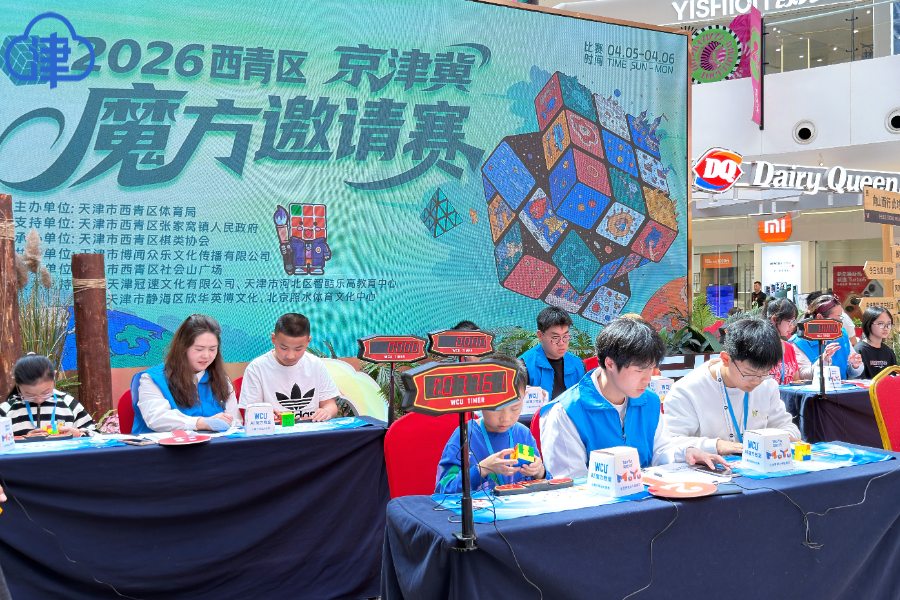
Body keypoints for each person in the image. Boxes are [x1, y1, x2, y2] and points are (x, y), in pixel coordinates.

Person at [539, 317, 727, 478]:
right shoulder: (566, 412)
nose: (648, 379)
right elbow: (572, 482)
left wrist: (686, 453)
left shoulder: (649, 401)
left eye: (651, 368)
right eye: (639, 370)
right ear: (610, 363)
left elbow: (660, 450)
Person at [664, 318, 801, 457]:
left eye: (765, 373)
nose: (757, 381)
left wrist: (785, 437)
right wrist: (717, 446)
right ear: (726, 359)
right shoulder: (687, 390)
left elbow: (786, 426)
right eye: (749, 374)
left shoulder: (767, 384)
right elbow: (670, 444)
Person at [435, 354, 548, 493]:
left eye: (515, 408)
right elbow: (443, 490)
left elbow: (547, 486)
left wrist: (540, 472)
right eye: (496, 409)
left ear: (524, 397)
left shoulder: (523, 434)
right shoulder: (464, 436)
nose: (505, 418)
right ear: (479, 399)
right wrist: (482, 469)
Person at [132, 314, 242, 434]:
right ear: (182, 348)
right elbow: (157, 418)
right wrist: (203, 423)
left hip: (214, 445)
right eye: (199, 349)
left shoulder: (222, 381)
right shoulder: (153, 379)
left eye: (212, 349)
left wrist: (230, 423)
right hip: (164, 445)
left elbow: (235, 423)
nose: (206, 355)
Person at [240, 313, 340, 421]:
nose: (290, 356)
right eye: (284, 348)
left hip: (310, 429)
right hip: (275, 431)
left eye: (298, 349)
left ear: (308, 341)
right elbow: (250, 413)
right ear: (273, 339)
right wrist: (264, 415)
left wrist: (327, 411)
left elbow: (329, 404)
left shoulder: (316, 364)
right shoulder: (256, 368)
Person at [0, 354, 96, 437]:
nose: (39, 400)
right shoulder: (7, 410)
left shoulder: (69, 404)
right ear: (17, 385)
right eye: (30, 395)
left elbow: (96, 435)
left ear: (54, 376)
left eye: (46, 392)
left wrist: (77, 433)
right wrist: (23, 439)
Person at [791, 295, 863, 380]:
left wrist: (855, 365)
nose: (840, 321)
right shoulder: (799, 341)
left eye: (840, 317)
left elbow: (852, 372)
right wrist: (823, 361)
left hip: (842, 387)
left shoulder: (842, 334)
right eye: (837, 317)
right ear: (820, 317)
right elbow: (802, 376)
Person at [521, 307, 585, 400]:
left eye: (565, 336)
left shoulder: (579, 365)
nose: (561, 343)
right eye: (555, 338)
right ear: (540, 335)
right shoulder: (524, 366)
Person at [855, 307, 897, 379]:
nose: (886, 328)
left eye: (889, 324)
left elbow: (894, 376)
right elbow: (857, 379)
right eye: (881, 323)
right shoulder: (859, 350)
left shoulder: (889, 351)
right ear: (868, 324)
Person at [766, 298, 800, 384]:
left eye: (794, 321)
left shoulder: (789, 348)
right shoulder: (760, 347)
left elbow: (796, 381)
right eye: (789, 321)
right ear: (774, 319)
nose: (792, 326)